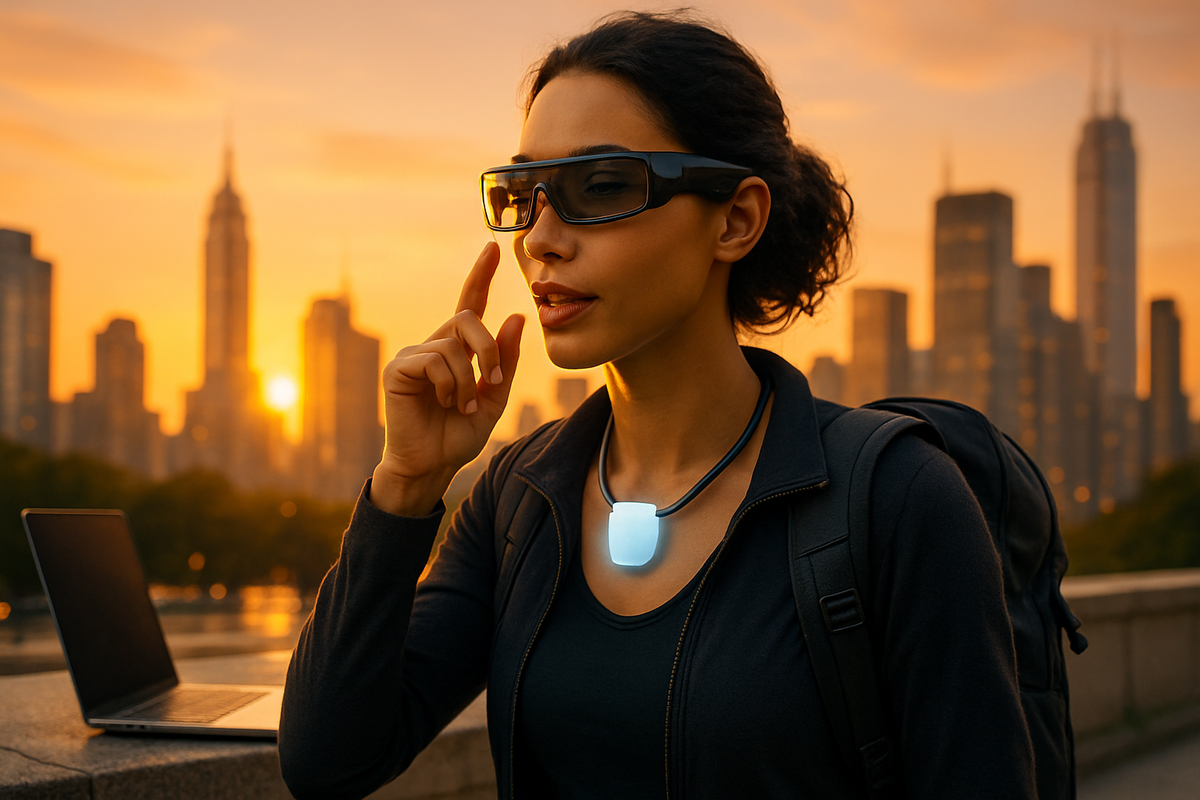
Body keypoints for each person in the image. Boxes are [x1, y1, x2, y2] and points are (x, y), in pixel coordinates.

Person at [279, 10, 1035, 799]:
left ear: (735, 220)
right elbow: (326, 760)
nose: (539, 239)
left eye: (600, 186)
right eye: (524, 194)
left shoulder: (897, 498)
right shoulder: (518, 499)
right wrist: (406, 481)